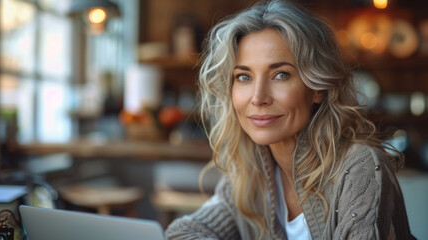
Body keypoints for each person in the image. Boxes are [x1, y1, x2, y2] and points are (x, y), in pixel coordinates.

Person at [166, 0, 415, 239]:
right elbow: (182, 232)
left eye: (281, 75)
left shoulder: (360, 169)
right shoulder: (252, 173)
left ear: (317, 88)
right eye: (244, 77)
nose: (258, 97)